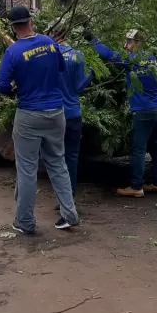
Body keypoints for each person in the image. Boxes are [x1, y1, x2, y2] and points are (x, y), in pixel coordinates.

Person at [0, 6, 79, 234]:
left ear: (13, 27)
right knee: (58, 163)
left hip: (29, 115)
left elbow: (1, 85)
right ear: (31, 22)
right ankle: (70, 215)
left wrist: (15, 86)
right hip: (56, 113)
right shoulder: (50, 43)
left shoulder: (13, 51)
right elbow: (60, 68)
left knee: (27, 169)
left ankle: (25, 222)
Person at [84, 28, 157, 197]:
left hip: (143, 111)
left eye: (129, 42)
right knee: (156, 147)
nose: (125, 45)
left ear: (139, 43)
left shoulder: (130, 60)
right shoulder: (151, 58)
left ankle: (136, 187)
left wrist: (92, 38)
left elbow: (108, 54)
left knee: (138, 150)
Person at [50, 27, 93, 203]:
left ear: (52, 35)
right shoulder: (77, 55)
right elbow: (78, 87)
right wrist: (90, 75)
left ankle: (60, 197)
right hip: (73, 114)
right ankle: (70, 196)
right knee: (72, 157)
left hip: (55, 113)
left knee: (55, 158)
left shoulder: (49, 55)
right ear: (66, 34)